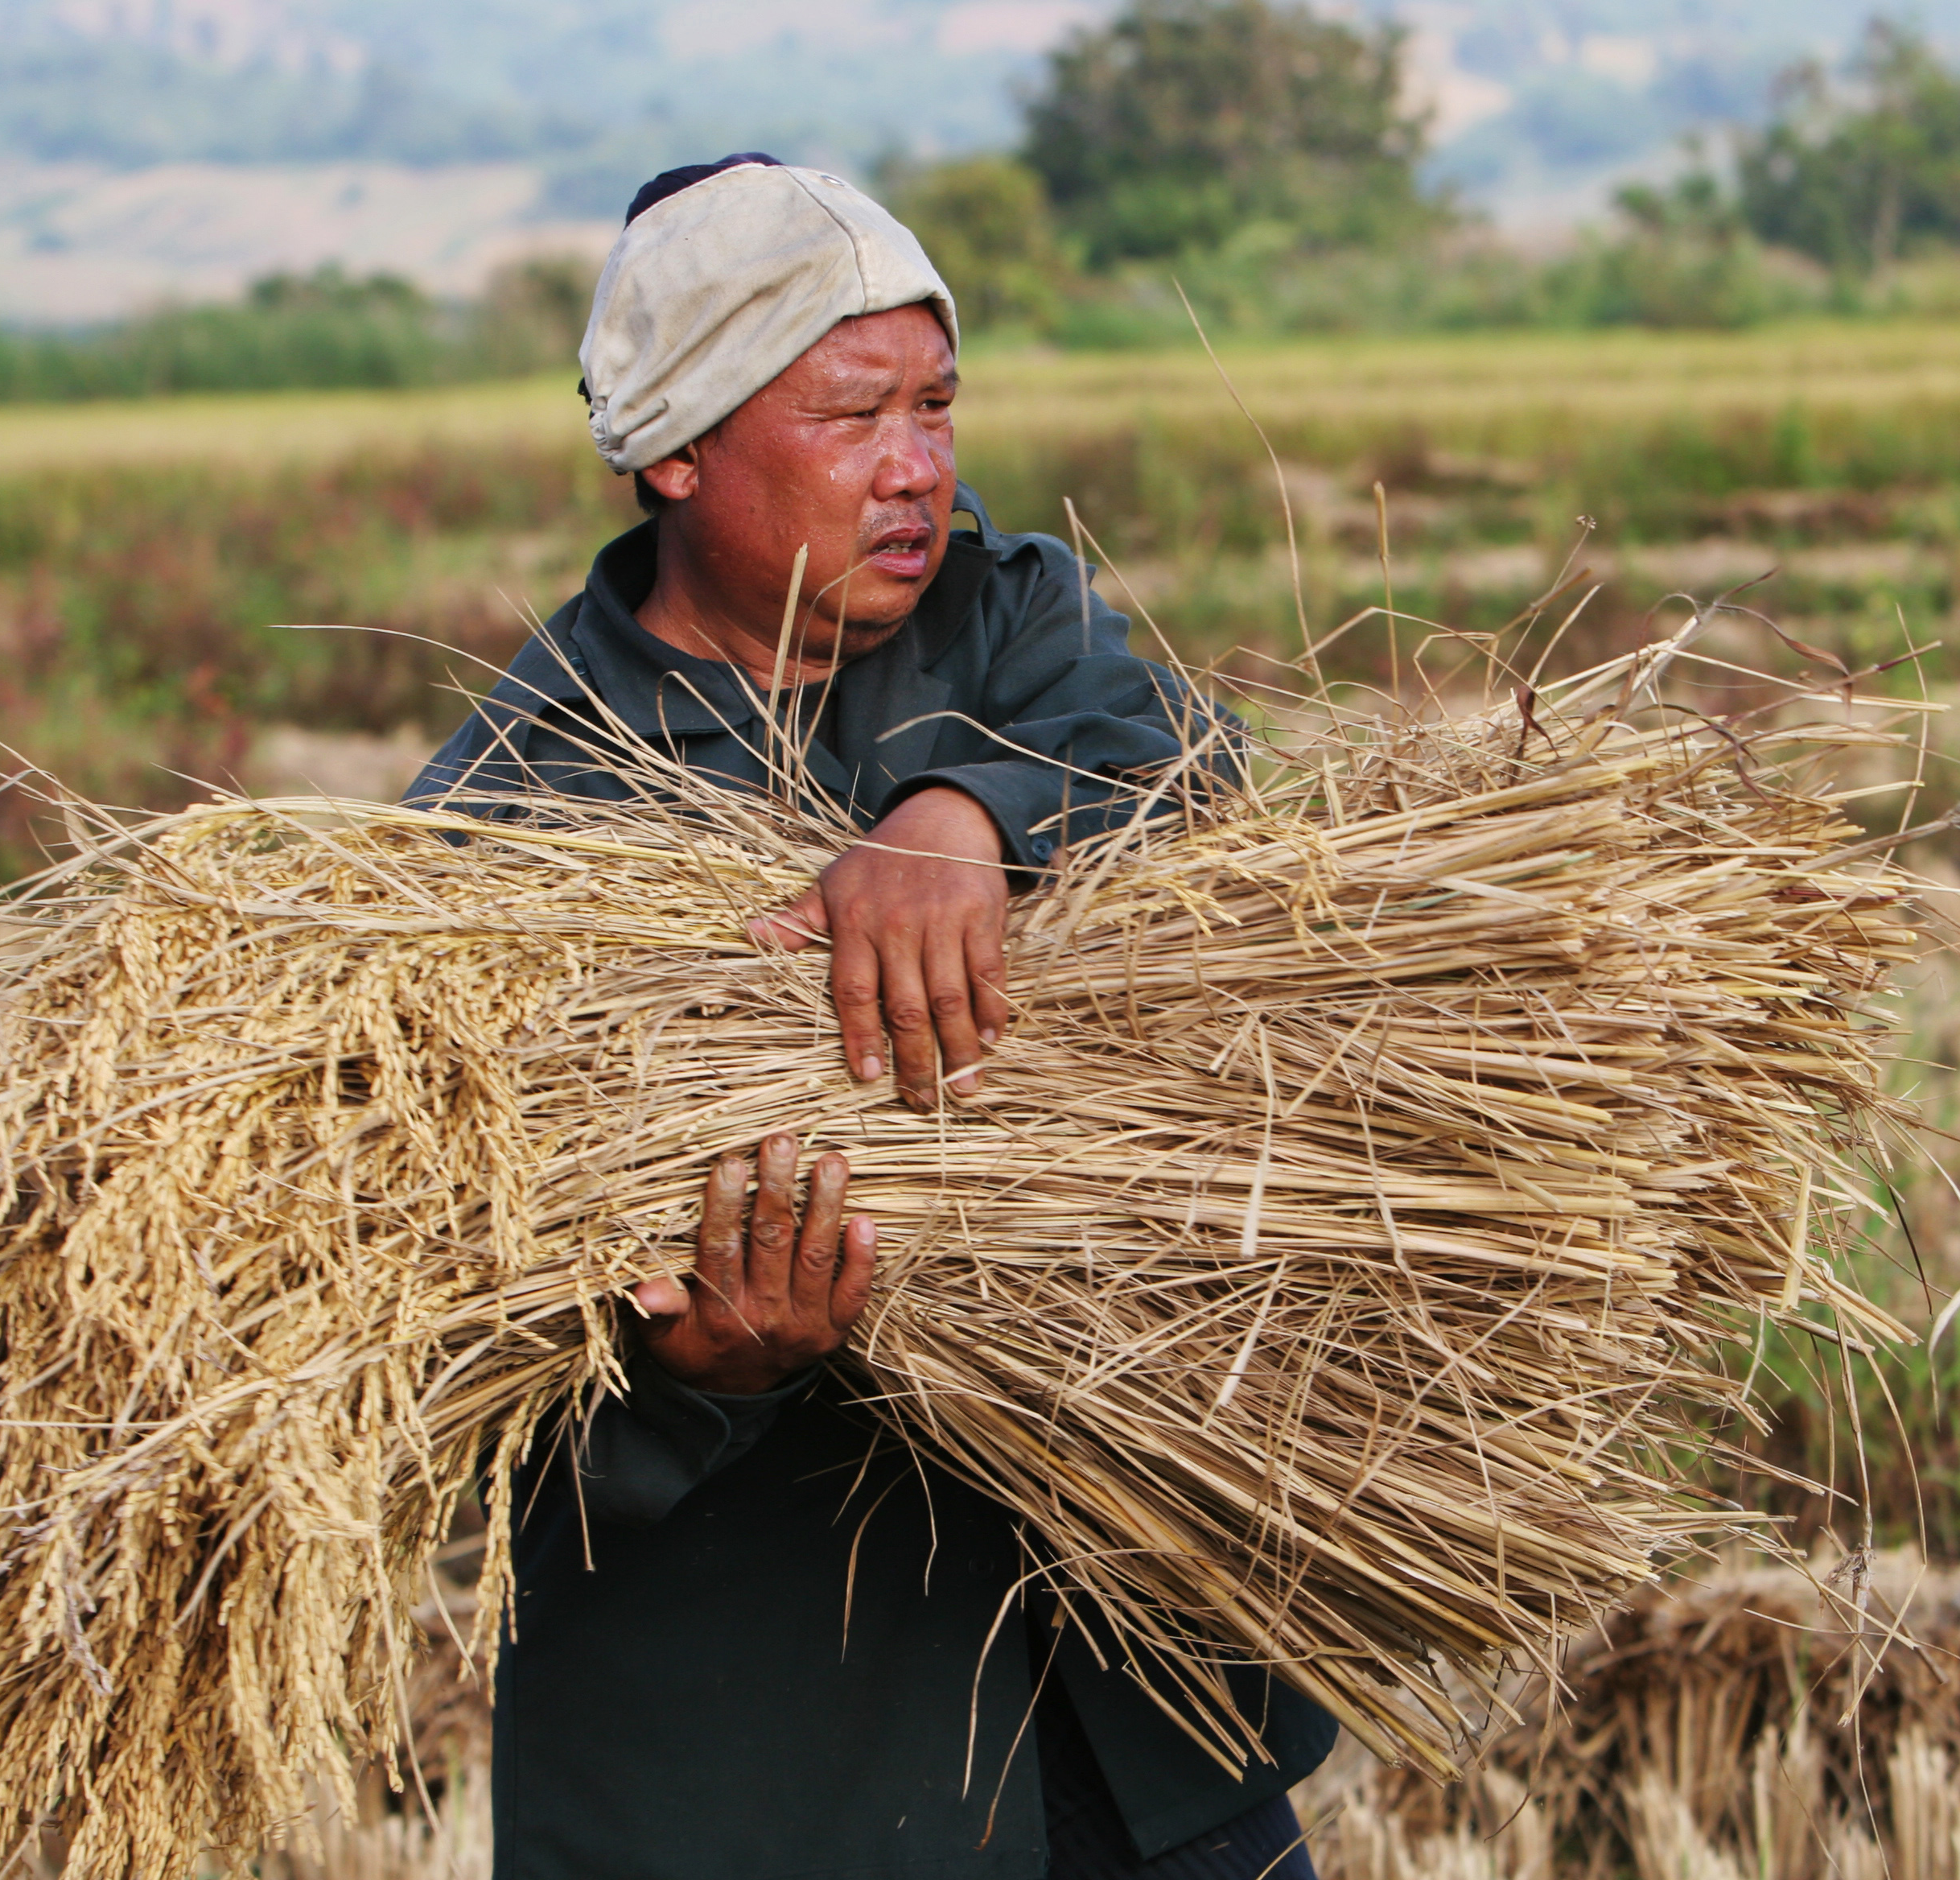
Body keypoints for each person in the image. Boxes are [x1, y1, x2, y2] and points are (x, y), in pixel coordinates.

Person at [409, 153, 1334, 1880]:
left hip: (1141, 1729)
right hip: (778, 1785)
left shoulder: (1008, 615)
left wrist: (966, 812)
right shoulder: (504, 832)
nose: (919, 467)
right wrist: (692, 1379)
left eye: (939, 404)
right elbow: (445, 1399)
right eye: (855, 417)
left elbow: (1201, 770)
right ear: (674, 448)